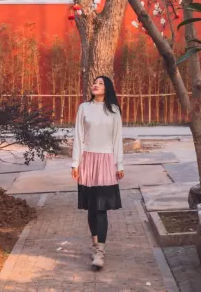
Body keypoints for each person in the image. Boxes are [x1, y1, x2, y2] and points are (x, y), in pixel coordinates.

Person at [71, 75, 124, 270]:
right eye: (95, 82)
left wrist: (120, 165)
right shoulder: (83, 108)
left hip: (106, 161)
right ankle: (95, 244)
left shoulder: (114, 111)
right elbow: (78, 136)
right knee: (92, 208)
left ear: (107, 88)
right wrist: (75, 163)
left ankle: (100, 251)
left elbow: (118, 139)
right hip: (87, 161)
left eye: (101, 83)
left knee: (101, 209)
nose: (96, 85)